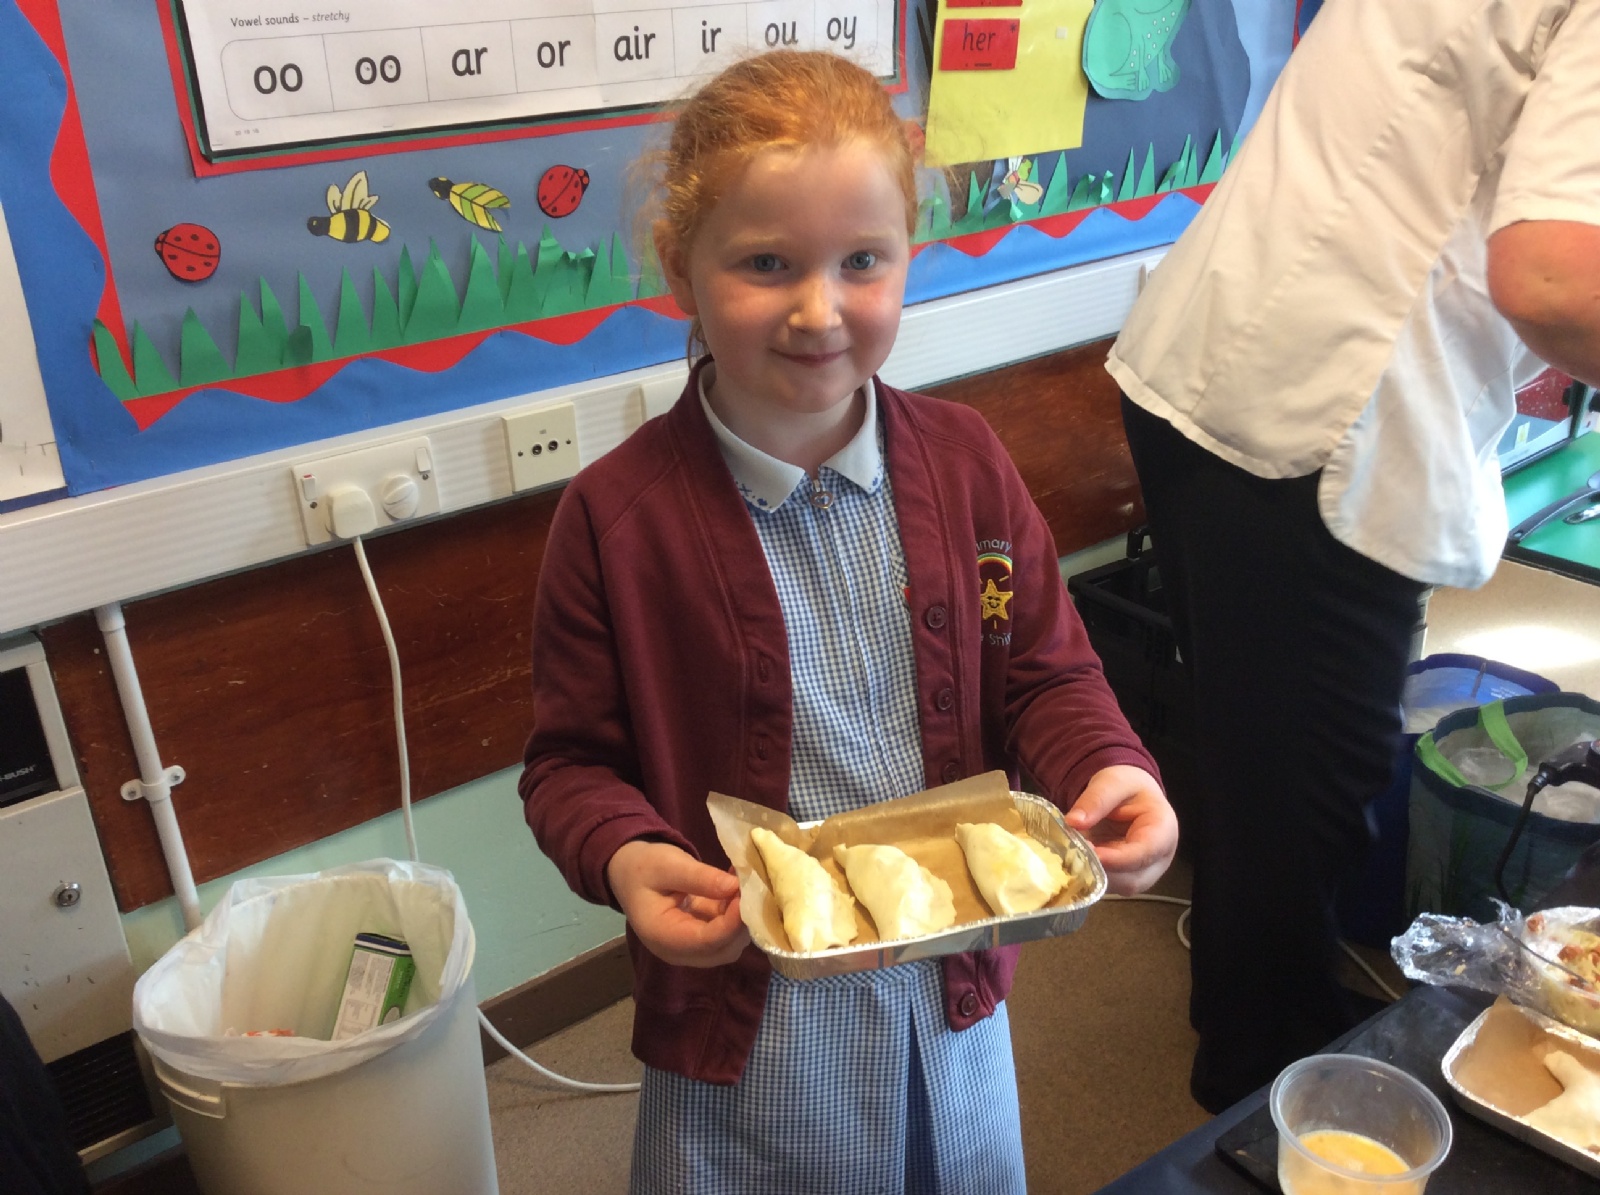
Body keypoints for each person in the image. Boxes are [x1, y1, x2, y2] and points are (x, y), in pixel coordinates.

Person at [520, 49, 1179, 1193]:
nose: (819, 310)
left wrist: (1109, 765)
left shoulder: (966, 464)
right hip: (750, 1022)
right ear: (680, 268)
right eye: (766, 263)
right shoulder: (618, 519)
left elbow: (1044, 673)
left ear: (907, 255)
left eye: (862, 261)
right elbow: (569, 764)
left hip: (947, 985)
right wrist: (626, 857)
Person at [1105, 0, 1600, 1114]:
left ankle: (1253, 1010)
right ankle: (1263, 1079)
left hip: (1228, 354)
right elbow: (1556, 280)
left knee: (1260, 761)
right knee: (1305, 787)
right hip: (1312, 411)